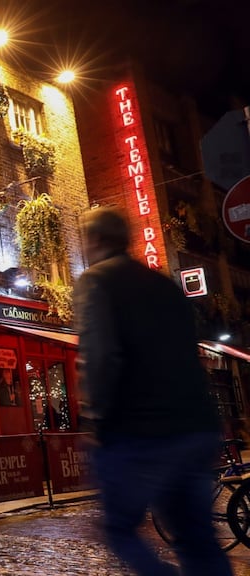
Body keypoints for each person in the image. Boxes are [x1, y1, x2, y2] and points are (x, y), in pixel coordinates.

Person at [74, 206, 231, 576]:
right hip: (195, 425)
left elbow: (101, 356)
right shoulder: (165, 285)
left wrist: (94, 420)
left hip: (139, 431)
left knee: (119, 529)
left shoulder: (96, 281)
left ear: (93, 239)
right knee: (197, 537)